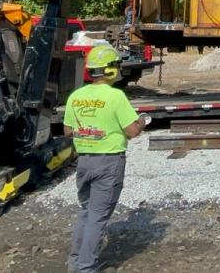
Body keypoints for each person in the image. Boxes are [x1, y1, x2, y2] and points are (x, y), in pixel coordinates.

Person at [63, 45, 148, 273]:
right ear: (110, 70)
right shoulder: (116, 96)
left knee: (86, 211)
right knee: (98, 217)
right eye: (117, 65)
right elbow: (131, 131)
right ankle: (86, 267)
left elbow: (67, 131)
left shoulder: (76, 96)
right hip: (108, 163)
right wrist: (142, 121)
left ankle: (74, 262)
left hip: (84, 162)